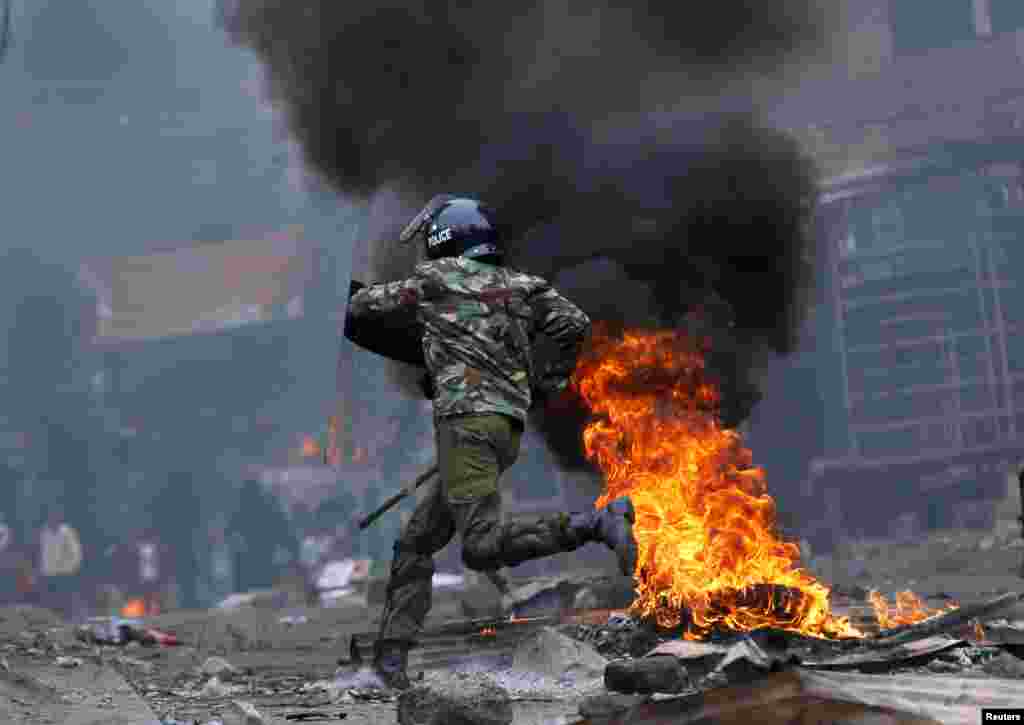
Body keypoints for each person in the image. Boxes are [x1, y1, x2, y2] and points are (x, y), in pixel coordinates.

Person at [345, 196, 637, 689]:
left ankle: (595, 523)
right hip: (505, 427)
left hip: (466, 426)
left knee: (480, 547)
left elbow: (362, 307)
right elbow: (574, 324)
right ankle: (390, 662)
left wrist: (420, 301)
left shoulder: (435, 279)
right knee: (416, 542)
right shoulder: (522, 285)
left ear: (442, 240)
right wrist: (550, 376)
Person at [38, 505, 83, 618]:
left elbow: (76, 553)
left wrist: (70, 568)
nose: (53, 517)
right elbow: (40, 551)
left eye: (55, 515)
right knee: (49, 604)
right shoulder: (44, 531)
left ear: (60, 516)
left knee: (65, 604)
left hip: (64, 575)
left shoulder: (66, 531)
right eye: (50, 515)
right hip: (48, 574)